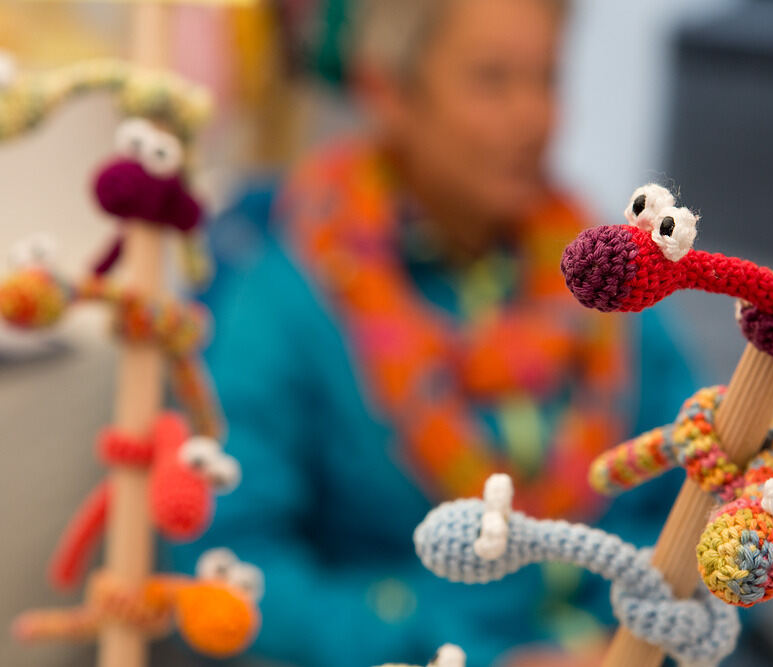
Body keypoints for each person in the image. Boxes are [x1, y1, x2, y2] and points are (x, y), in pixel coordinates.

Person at [171, 0, 695, 664]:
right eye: (492, 79)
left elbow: (700, 486)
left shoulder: (610, 276)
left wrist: (645, 638)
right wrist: (455, 649)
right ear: (385, 90)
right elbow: (227, 562)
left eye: (548, 79)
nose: (538, 116)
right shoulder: (287, 298)